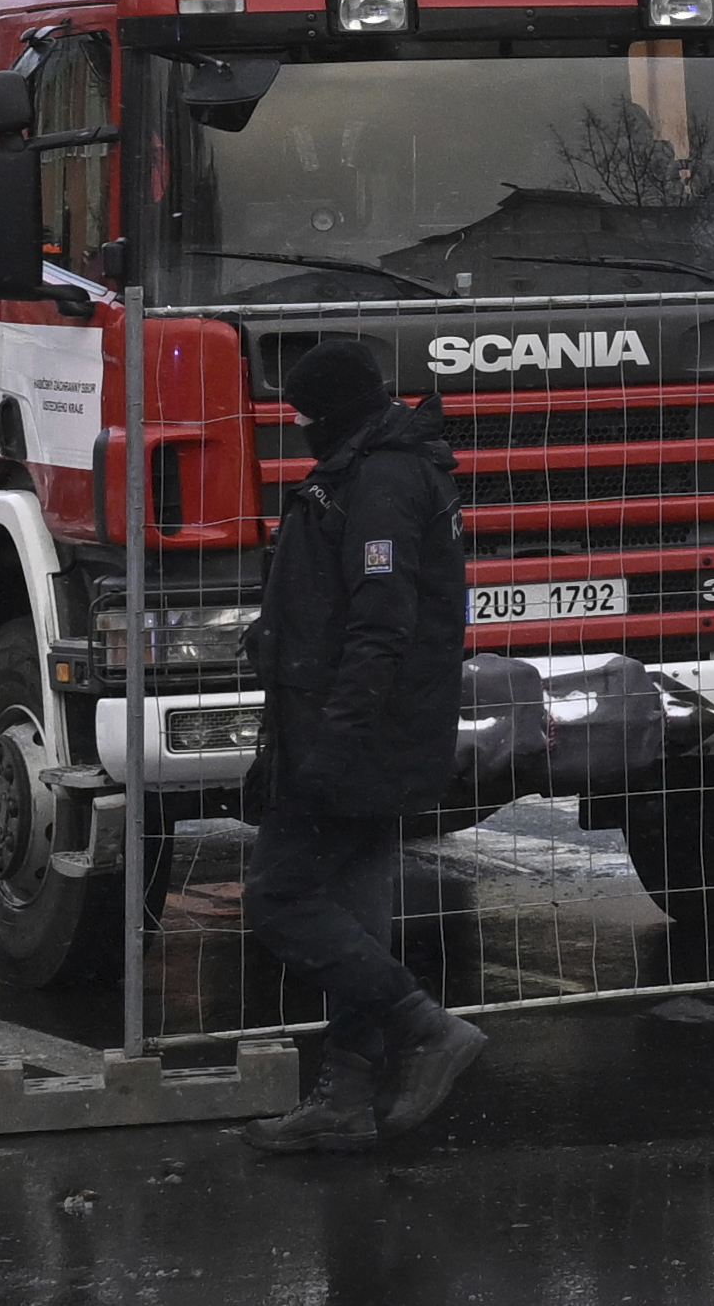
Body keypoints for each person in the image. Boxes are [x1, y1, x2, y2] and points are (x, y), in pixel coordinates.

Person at [244, 339, 487, 1155]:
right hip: (356, 731)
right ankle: (344, 1096)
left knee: (277, 897)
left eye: (306, 415)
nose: (300, 428)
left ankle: (426, 1027)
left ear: (334, 411)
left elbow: (381, 625)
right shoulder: (371, 464)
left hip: (353, 739)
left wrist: (330, 746)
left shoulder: (381, 478)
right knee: (354, 913)